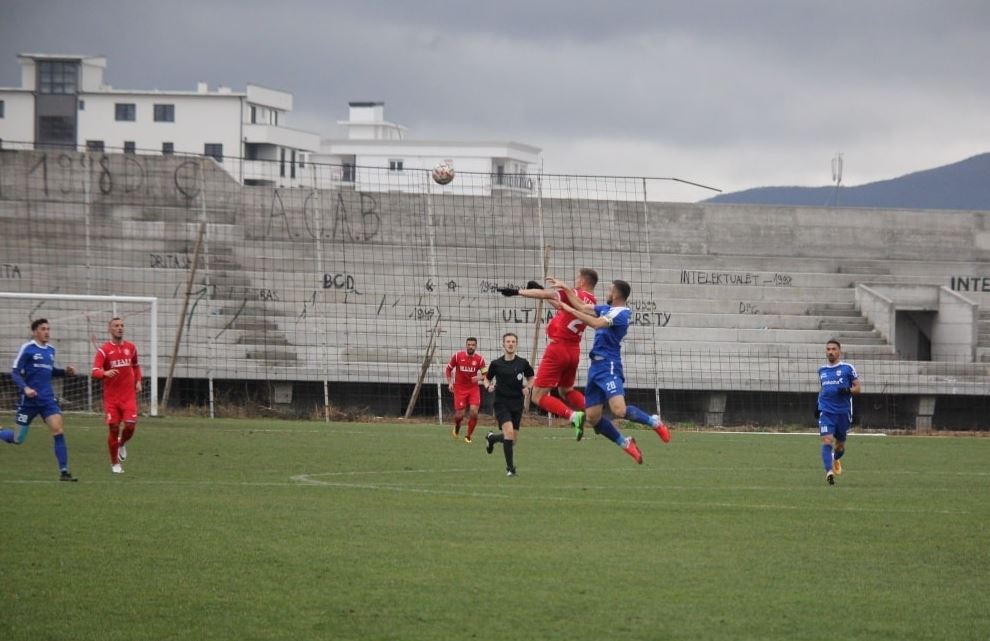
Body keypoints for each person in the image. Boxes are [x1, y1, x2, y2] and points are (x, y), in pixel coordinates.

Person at [550, 278, 671, 464]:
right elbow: (583, 307)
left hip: (609, 366)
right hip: (595, 368)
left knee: (619, 410)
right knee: (592, 417)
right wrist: (566, 289)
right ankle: (625, 443)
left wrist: (568, 310)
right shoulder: (607, 309)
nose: (607, 293)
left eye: (609, 290)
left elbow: (596, 323)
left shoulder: (621, 314)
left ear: (615, 294)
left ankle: (655, 422)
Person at [498, 269, 598, 437]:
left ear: (582, 282)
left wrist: (517, 292)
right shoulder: (593, 303)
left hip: (557, 349)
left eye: (577, 278)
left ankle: (574, 416)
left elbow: (549, 295)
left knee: (537, 396)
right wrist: (541, 290)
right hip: (573, 351)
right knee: (566, 390)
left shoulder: (574, 293)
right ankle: (594, 415)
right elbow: (562, 307)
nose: (575, 280)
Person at [0, 318, 79, 481]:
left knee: (59, 431)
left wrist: (65, 372)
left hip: (47, 400)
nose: (47, 332)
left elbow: (49, 371)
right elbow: (15, 372)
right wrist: (26, 388)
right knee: (17, 439)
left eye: (48, 329)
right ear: (35, 331)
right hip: (29, 401)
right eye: (43, 329)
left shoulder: (50, 350)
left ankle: (64, 472)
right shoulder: (27, 348)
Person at [92, 317, 143, 474]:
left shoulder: (131, 348)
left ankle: (122, 444)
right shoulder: (104, 350)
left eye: (121, 325)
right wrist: (105, 372)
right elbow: (94, 371)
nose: (120, 328)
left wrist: (138, 381)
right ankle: (115, 464)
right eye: (116, 326)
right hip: (112, 398)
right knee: (113, 429)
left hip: (128, 396)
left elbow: (135, 366)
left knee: (130, 426)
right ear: (110, 329)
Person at [483, 332, 534, 477]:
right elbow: (486, 378)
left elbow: (531, 377)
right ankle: (510, 469)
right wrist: (488, 386)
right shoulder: (496, 364)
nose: (510, 344)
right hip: (501, 403)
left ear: (516, 344)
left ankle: (491, 438)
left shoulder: (522, 363)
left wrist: (528, 388)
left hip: (517, 404)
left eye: (513, 341)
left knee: (512, 440)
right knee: (509, 433)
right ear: (503, 344)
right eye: (508, 341)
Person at [817, 339, 861, 485]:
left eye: (833, 349)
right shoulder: (822, 370)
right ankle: (829, 472)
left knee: (840, 445)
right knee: (827, 440)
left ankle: (835, 458)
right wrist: (817, 405)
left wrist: (848, 390)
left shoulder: (847, 368)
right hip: (826, 411)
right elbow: (823, 389)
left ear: (839, 351)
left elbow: (858, 388)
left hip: (843, 412)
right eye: (828, 349)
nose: (830, 352)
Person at [444, 337, 487, 443]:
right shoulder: (458, 356)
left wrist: (479, 377)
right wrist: (450, 383)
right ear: (466, 345)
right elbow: (448, 369)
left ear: (476, 346)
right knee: (460, 415)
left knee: (474, 412)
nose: (471, 346)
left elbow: (486, 374)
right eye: (469, 344)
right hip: (459, 388)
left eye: (473, 345)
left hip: (473, 389)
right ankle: (457, 426)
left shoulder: (480, 359)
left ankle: (468, 436)